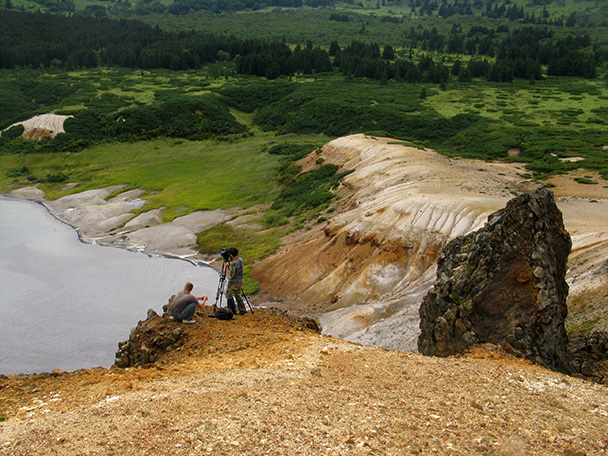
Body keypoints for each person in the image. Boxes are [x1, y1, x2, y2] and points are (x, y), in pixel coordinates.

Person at [225, 247, 246, 315]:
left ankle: (231, 311)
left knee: (229, 295)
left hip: (234, 282)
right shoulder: (240, 260)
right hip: (240, 280)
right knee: (237, 294)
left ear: (231, 255)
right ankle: (242, 309)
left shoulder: (234, 263)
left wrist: (228, 267)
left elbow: (232, 275)